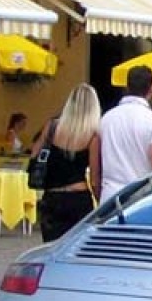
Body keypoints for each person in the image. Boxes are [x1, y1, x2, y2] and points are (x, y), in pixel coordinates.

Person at [32, 84, 102, 242]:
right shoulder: (92, 135)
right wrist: (100, 200)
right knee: (75, 249)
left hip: (51, 196)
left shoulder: (52, 126)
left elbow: (35, 154)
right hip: (78, 197)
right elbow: (94, 178)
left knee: (50, 248)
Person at [99, 64, 152, 202]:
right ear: (151, 88)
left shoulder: (107, 118)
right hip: (140, 197)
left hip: (110, 195)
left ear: (127, 86)